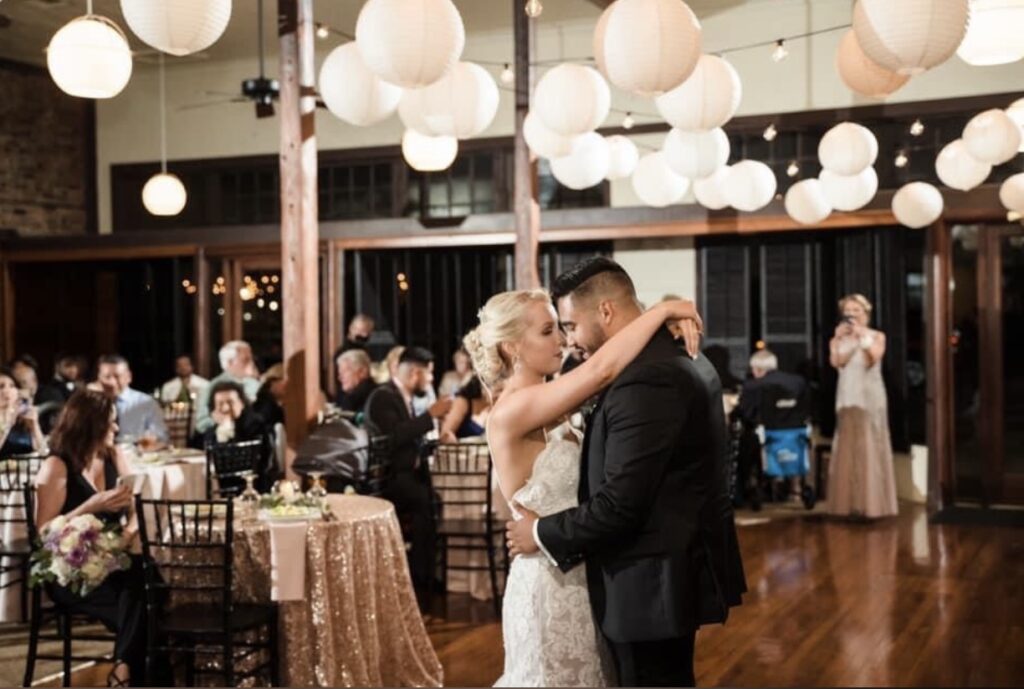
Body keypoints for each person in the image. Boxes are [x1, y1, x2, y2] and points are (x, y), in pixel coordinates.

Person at [499, 258, 746, 687]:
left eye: (569, 326)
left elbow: (621, 502)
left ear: (607, 312)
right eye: (552, 330)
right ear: (511, 347)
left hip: (641, 575)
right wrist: (663, 312)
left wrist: (540, 533)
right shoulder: (672, 356)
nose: (566, 340)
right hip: (586, 569)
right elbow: (599, 372)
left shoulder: (643, 376)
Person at [32, 390, 154, 686]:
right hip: (71, 569)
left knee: (147, 578)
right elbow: (44, 534)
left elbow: (138, 507)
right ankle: (129, 673)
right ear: (88, 424)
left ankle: (122, 670)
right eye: (109, 423)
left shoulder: (115, 455)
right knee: (150, 611)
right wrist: (90, 506)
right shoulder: (57, 465)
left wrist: (125, 536)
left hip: (113, 562)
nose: (116, 429)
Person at [363, 347, 453, 590]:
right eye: (430, 374)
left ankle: (424, 573)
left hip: (408, 475)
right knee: (426, 501)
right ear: (415, 373)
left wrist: (436, 442)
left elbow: (410, 442)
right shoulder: (383, 396)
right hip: (388, 479)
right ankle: (419, 578)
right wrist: (430, 417)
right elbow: (393, 438)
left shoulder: (406, 397)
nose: (431, 380)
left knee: (433, 499)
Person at [826, 293, 898, 519]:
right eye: (847, 311)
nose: (851, 315)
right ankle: (848, 504)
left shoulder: (877, 336)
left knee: (870, 443)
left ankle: (873, 505)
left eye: (856, 310)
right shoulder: (838, 339)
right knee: (847, 445)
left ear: (865, 312)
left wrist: (861, 337)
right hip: (847, 397)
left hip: (869, 397)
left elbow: (872, 358)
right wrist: (838, 340)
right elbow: (837, 362)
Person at [738, 349, 811, 501]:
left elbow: (747, 412)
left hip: (768, 434)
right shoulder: (798, 382)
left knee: (744, 442)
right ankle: (794, 487)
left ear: (758, 369)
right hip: (795, 432)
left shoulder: (753, 386)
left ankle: (744, 489)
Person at [202, 381, 277, 493]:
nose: (225, 408)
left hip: (252, 484)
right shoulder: (211, 432)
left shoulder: (256, 425)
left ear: (241, 403)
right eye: (220, 403)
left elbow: (262, 461)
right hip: (218, 486)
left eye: (230, 402)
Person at [96, 355, 168, 448]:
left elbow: (161, 436)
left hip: (136, 455)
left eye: (117, 376)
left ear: (129, 376)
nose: (112, 382)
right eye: (107, 377)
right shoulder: (91, 404)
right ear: (98, 378)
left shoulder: (145, 403)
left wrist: (150, 440)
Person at [194, 341, 261, 435]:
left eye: (251, 359)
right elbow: (201, 424)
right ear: (230, 362)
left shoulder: (254, 383)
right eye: (245, 360)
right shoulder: (213, 388)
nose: (251, 364)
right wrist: (219, 420)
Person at [0, 367, 45, 456]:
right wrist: (7, 424)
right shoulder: (6, 421)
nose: (6, 390)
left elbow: (43, 452)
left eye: (12, 386)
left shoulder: (24, 415)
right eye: (1, 386)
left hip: (27, 467)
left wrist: (35, 426)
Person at [439, 375, 490, 442]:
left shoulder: (489, 408)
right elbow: (445, 435)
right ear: (484, 388)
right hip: (457, 450)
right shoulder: (462, 402)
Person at [335, 349, 377, 413]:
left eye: (345, 371)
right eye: (340, 373)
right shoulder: (349, 397)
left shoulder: (370, 398)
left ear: (362, 372)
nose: (340, 378)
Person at [252, 365, 286, 429]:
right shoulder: (264, 405)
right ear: (272, 383)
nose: (286, 384)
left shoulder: (276, 404)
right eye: (282, 380)